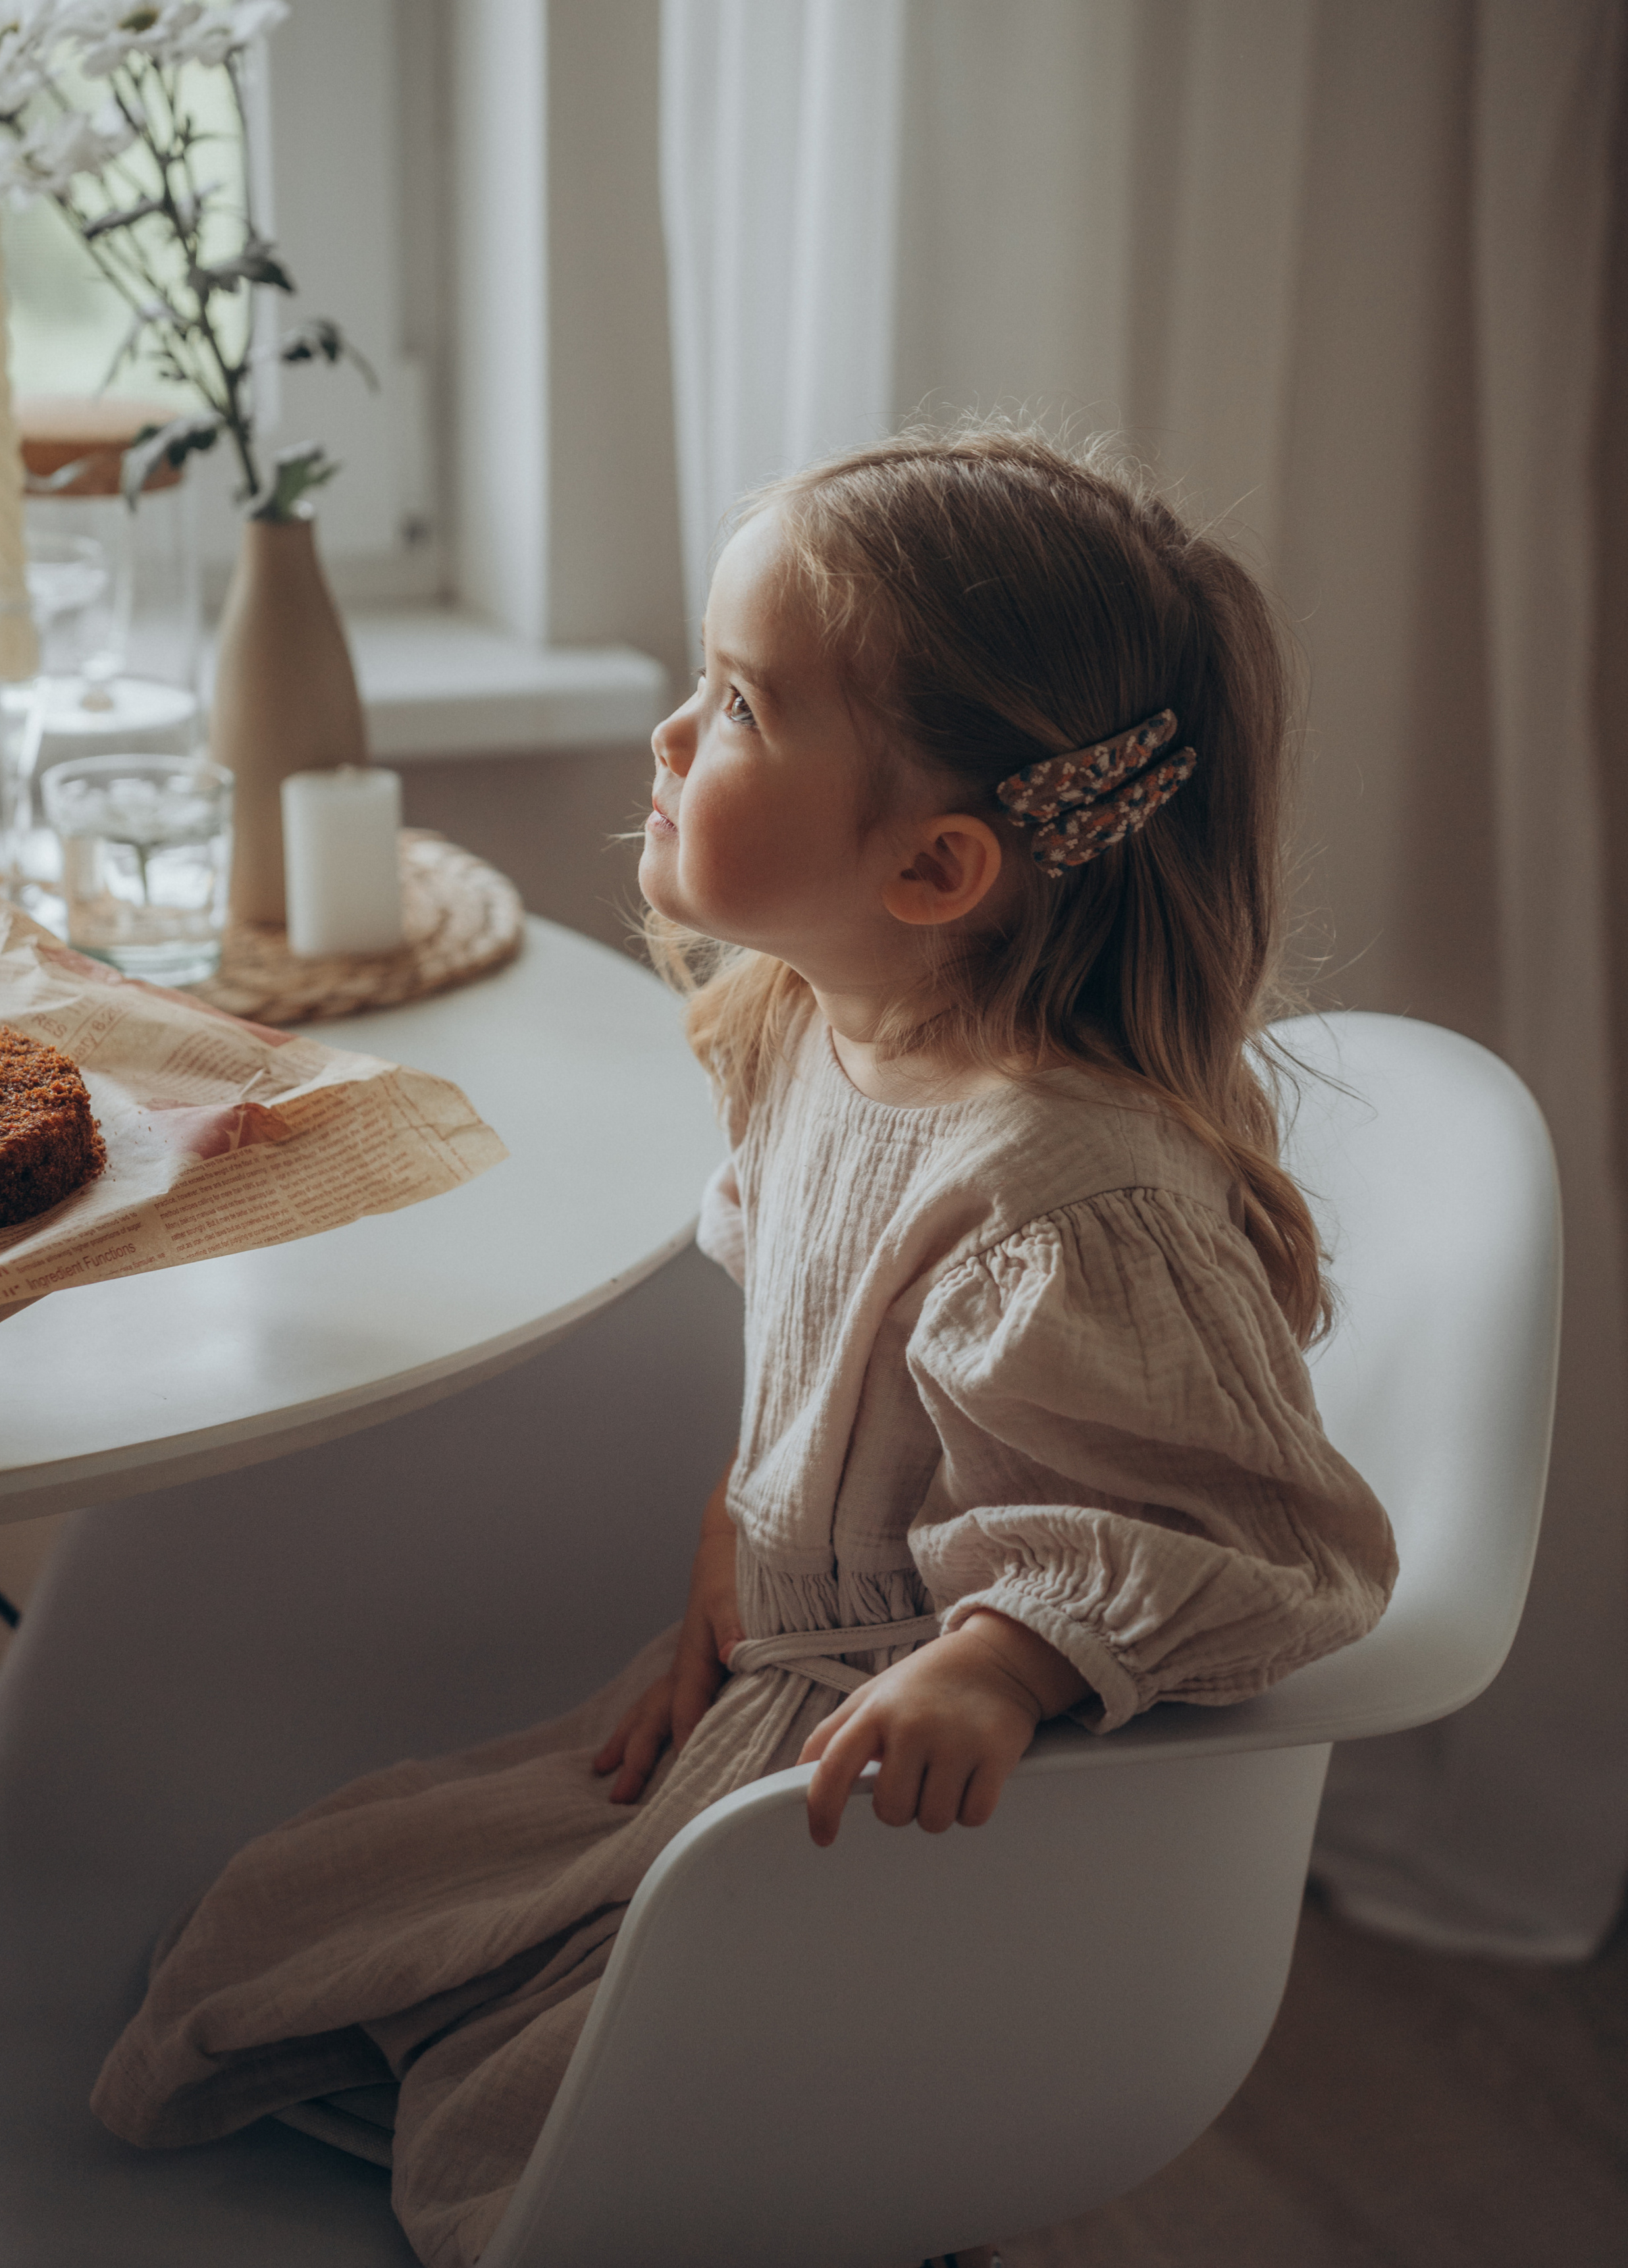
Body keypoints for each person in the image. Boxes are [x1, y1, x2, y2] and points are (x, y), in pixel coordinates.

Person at [92, 426, 1396, 2268]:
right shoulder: (814, 1029)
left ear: (938, 867)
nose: (668, 739)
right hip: (760, 1674)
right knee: (306, 1908)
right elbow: (817, 1374)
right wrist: (731, 1528)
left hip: (894, 1784)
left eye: (735, 702)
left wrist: (1001, 1666)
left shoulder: (1060, 1200)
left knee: (533, 2124)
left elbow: (1261, 1547)